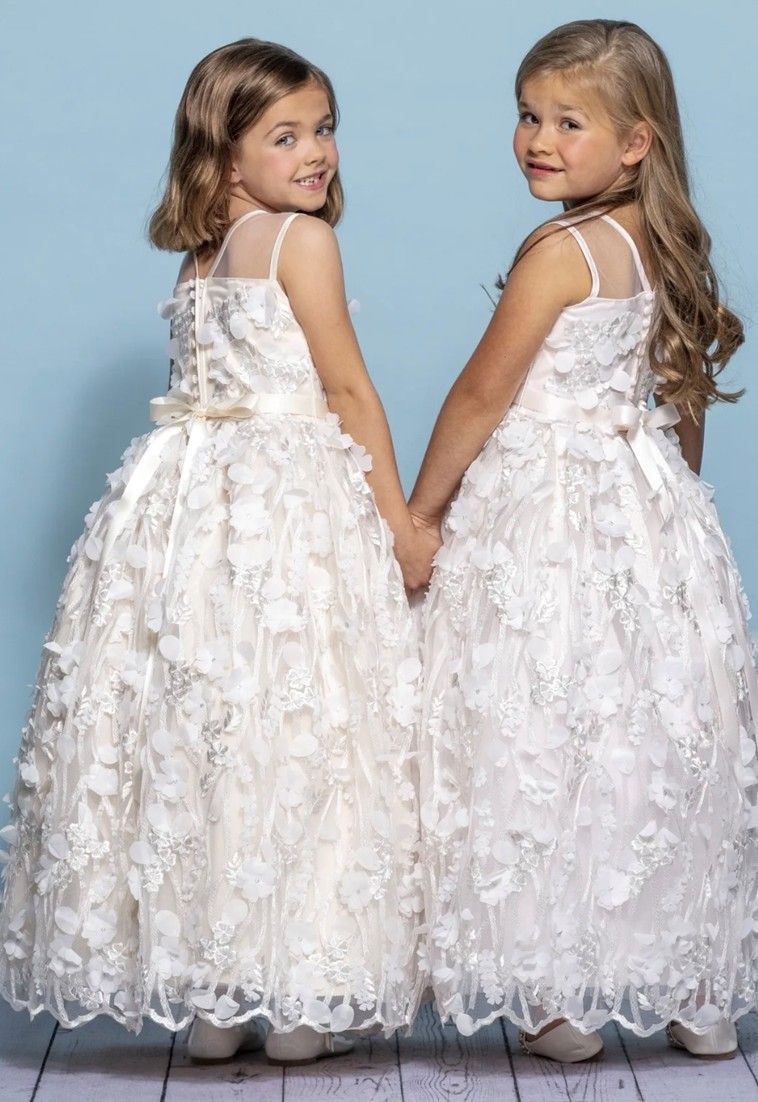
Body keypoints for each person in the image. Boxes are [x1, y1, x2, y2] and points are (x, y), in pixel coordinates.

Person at [0, 37, 434, 1066]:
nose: (315, 152)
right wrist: (401, 525)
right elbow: (345, 389)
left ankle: (216, 1005)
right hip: (283, 509)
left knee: (210, 736)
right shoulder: (297, 242)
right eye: (285, 136)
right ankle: (297, 1003)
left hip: (189, 513)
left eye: (324, 129)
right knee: (302, 726)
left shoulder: (203, 257)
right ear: (223, 152)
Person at [410, 18, 757, 1063]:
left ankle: (550, 994)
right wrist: (673, 510)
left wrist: (420, 515)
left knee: (537, 729)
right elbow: (681, 409)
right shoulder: (664, 249)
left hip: (547, 516)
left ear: (636, 142)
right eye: (528, 115)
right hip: (642, 510)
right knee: (650, 739)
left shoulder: (560, 252)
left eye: (570, 122)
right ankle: (695, 989)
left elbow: (483, 394)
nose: (537, 140)